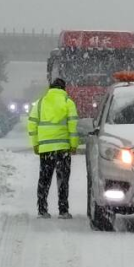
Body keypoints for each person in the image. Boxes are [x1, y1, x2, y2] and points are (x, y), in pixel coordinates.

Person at [27, 78, 79, 219]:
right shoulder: (68, 103)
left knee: (44, 179)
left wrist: (36, 144)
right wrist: (73, 145)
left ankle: (42, 210)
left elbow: (32, 125)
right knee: (63, 180)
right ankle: (63, 211)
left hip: (45, 148)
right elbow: (73, 127)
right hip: (63, 148)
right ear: (64, 89)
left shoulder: (40, 103)